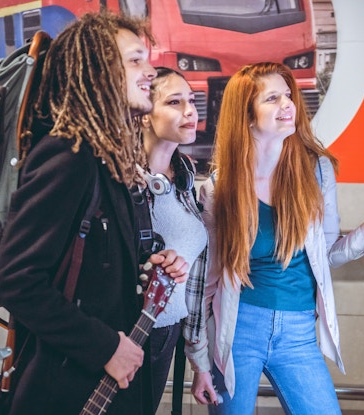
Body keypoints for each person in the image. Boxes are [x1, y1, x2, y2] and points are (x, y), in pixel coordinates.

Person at [0, 12, 189, 415]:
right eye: (135, 60)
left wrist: (149, 262)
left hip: (107, 386)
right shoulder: (68, 155)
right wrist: (106, 346)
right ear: (99, 69)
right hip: (66, 389)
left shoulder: (110, 159)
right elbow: (14, 280)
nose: (150, 70)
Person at [194, 62, 364, 414]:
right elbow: (206, 284)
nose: (287, 104)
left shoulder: (316, 171)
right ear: (248, 116)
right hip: (238, 330)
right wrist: (200, 362)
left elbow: (324, 256)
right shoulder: (220, 189)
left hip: (298, 332)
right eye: (272, 98)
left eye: (288, 95)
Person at [137, 66, 217, 412]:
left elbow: (195, 282)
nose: (190, 111)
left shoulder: (184, 175)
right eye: (174, 102)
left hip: (164, 334)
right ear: (143, 114)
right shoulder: (122, 180)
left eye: (192, 100)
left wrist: (199, 363)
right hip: (126, 332)